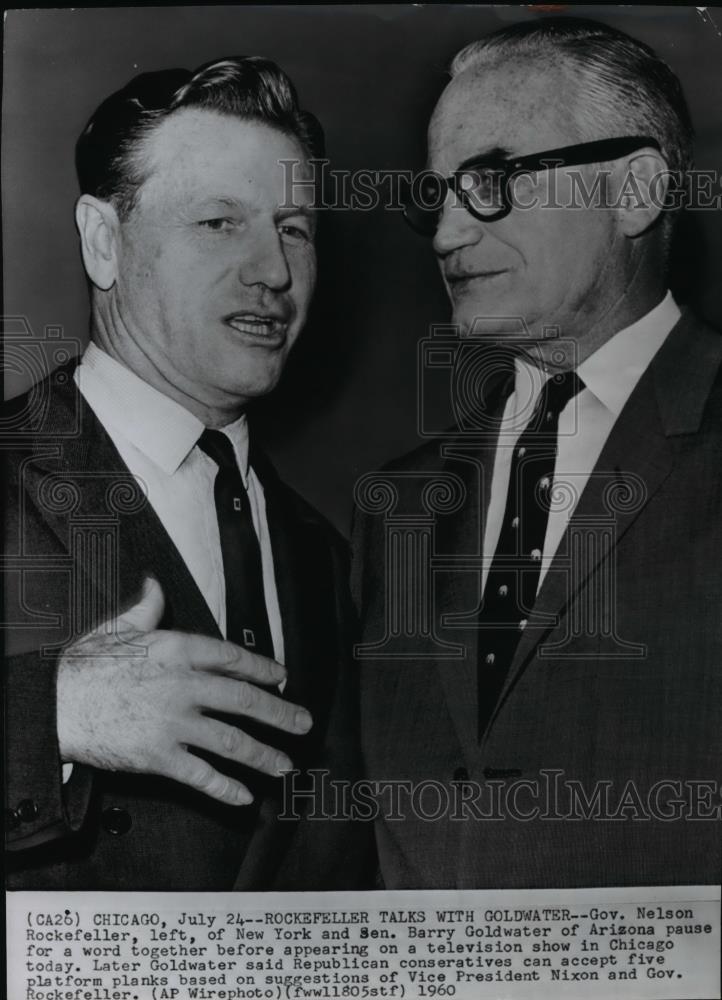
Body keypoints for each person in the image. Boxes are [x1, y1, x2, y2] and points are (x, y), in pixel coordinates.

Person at [353, 16, 722, 888]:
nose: (446, 234)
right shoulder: (396, 504)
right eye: (437, 194)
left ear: (635, 190)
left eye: (490, 179)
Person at [5, 56, 371, 890]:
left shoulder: (326, 552)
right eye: (219, 222)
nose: (274, 272)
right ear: (104, 241)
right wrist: (54, 710)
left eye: (295, 227)